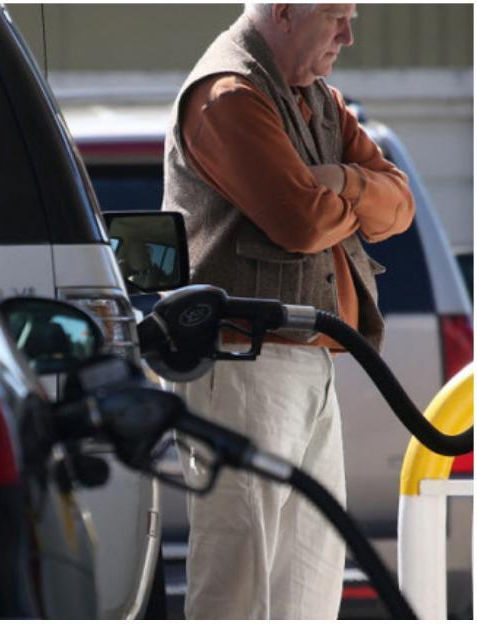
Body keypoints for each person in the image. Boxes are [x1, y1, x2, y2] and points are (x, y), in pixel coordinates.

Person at [161, 4, 414, 619]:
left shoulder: (319, 98)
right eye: (336, 17)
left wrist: (341, 182)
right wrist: (354, 191)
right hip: (242, 361)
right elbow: (301, 223)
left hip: (306, 357)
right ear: (282, 12)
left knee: (311, 571)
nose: (349, 36)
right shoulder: (226, 95)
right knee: (241, 569)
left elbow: (400, 206)